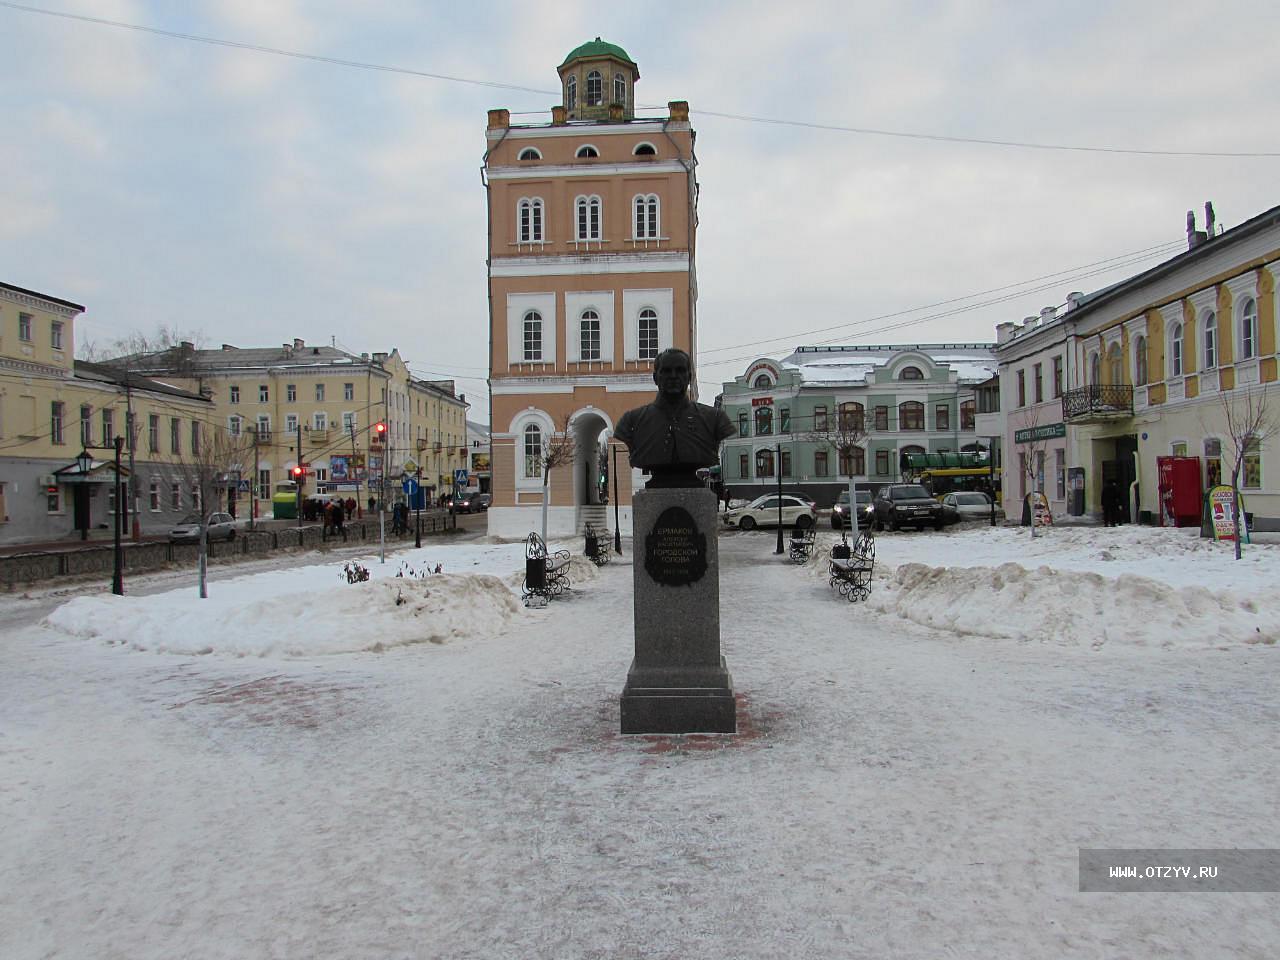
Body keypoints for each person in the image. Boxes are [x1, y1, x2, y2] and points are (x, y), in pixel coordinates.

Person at [614, 348, 736, 487]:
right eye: (666, 371)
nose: (673, 376)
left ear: (689, 377)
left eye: (680, 370)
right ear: (655, 378)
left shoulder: (715, 419)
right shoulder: (631, 422)